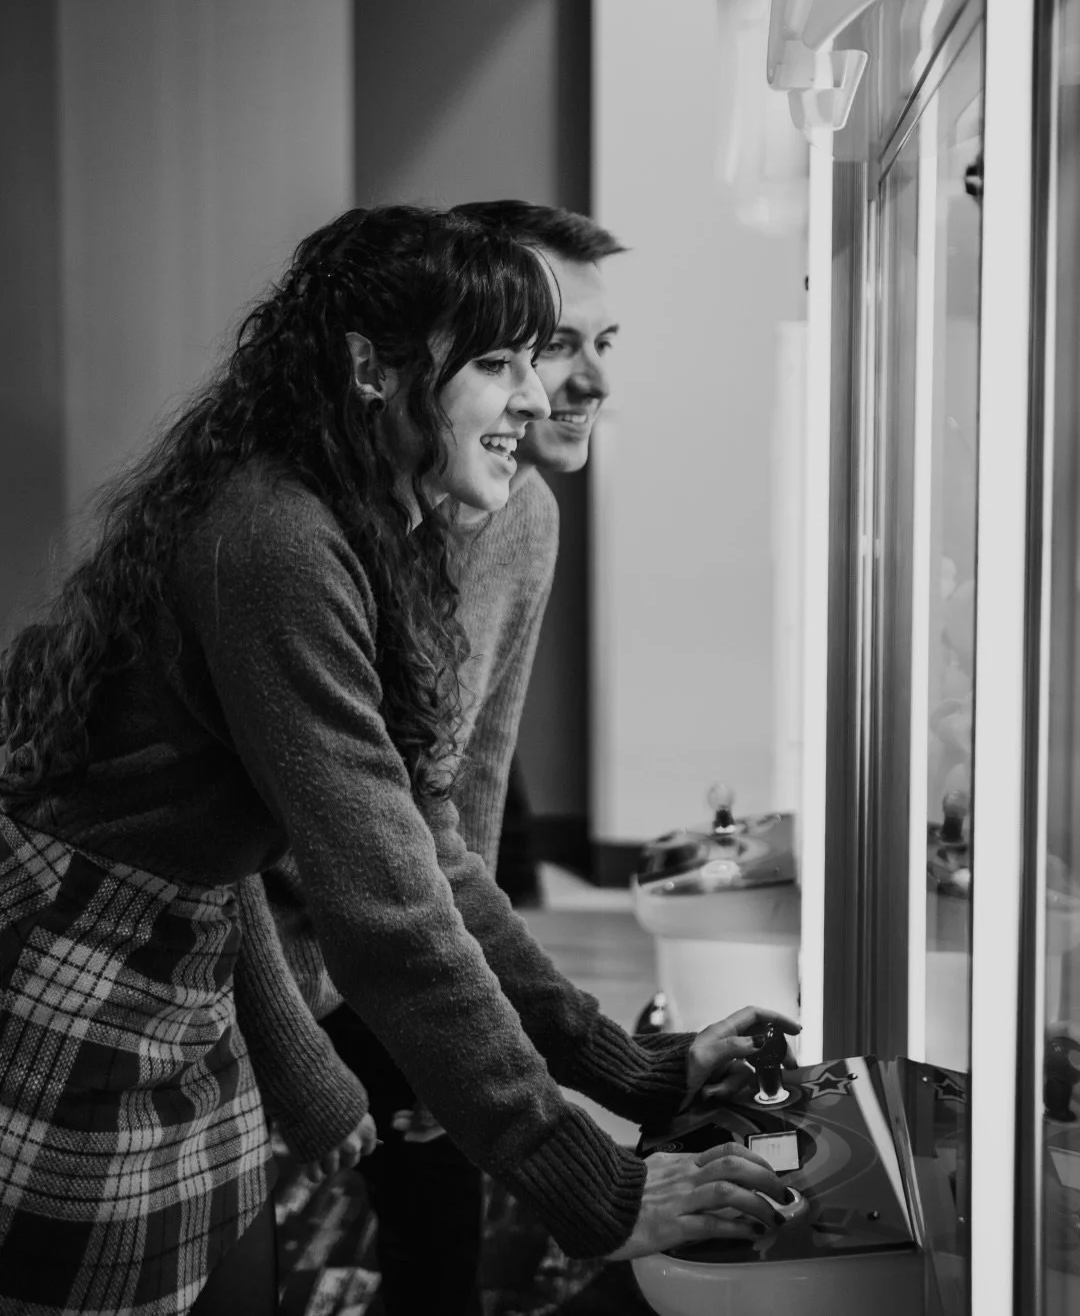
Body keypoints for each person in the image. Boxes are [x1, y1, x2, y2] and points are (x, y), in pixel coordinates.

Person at [0, 204, 793, 1316]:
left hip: (188, 943)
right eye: (495, 362)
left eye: (540, 357)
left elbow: (434, 856)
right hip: (75, 955)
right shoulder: (276, 536)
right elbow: (386, 905)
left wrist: (629, 1071)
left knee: (229, 1273)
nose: (537, 396)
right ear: (371, 369)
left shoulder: (378, 528)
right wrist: (597, 1188)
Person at [250, 202, 800, 1315]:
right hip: (250, 957)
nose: (572, 388)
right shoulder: (300, 539)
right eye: (535, 350)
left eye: (599, 346)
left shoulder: (518, 516)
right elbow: (285, 855)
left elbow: (454, 803)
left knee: (437, 1219)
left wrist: (589, 1052)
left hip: (397, 917)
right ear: (403, 366)